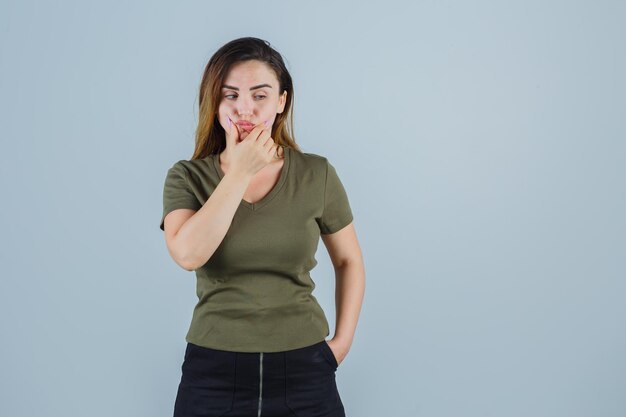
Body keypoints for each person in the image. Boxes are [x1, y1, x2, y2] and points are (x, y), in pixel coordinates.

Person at [159, 37, 365, 417]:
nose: (245, 109)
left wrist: (342, 343)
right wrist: (240, 172)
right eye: (230, 95)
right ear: (214, 102)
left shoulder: (316, 174)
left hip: (305, 366)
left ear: (281, 101)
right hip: (213, 369)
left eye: (260, 95)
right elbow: (188, 254)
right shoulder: (187, 177)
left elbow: (349, 260)